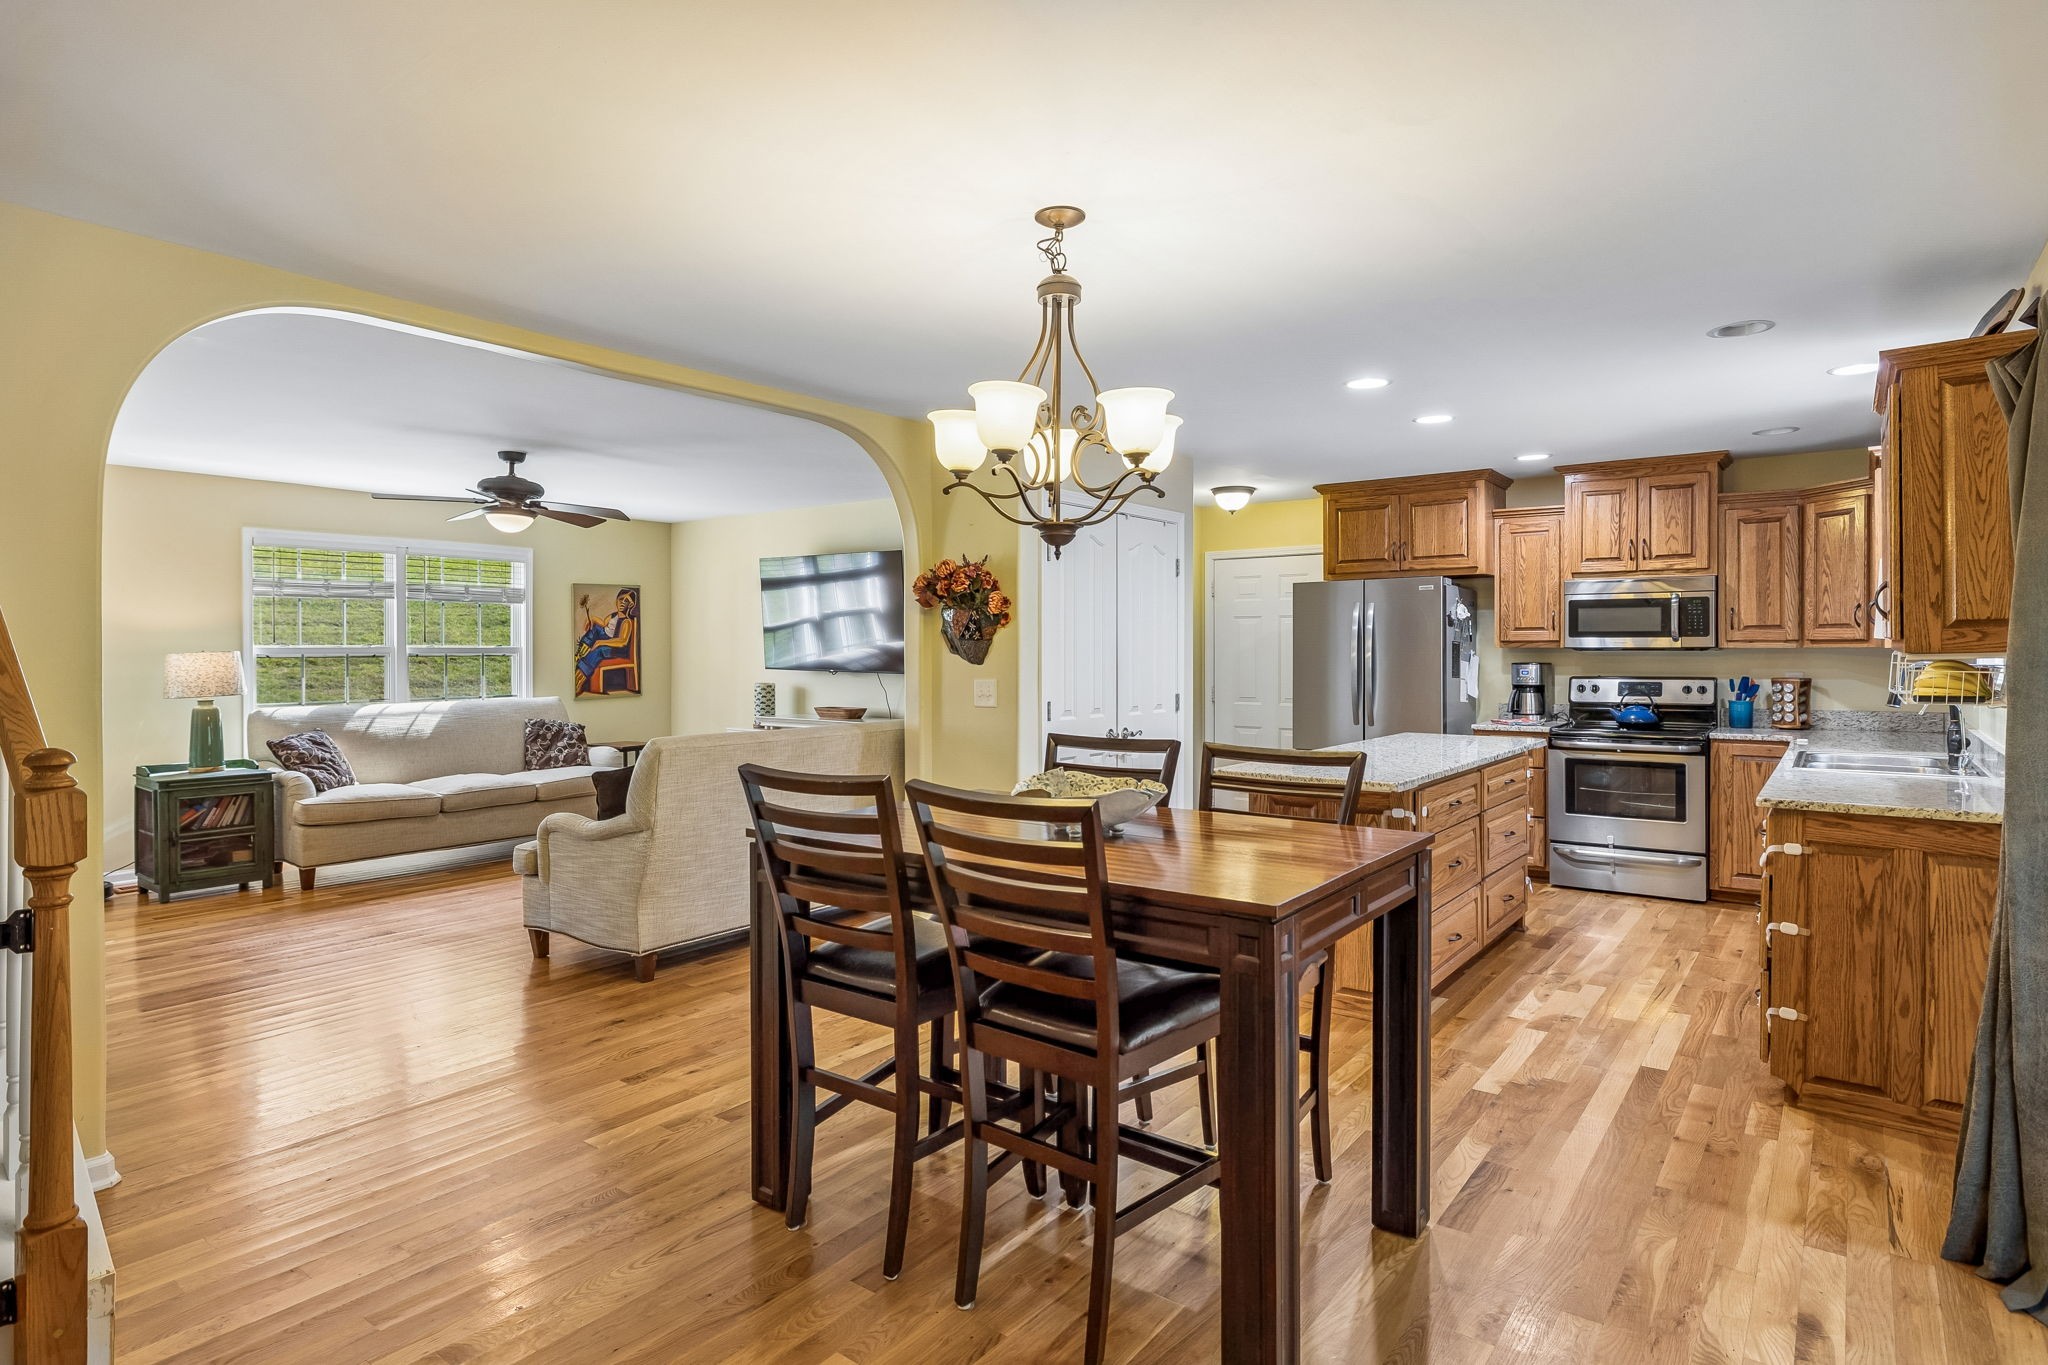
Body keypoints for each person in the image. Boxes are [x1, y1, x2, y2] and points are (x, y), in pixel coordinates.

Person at [575, 587, 638, 695]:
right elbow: (604, 624)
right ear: (616, 600)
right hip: (607, 637)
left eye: (626, 601)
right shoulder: (613, 616)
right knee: (595, 630)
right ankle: (581, 651)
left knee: (599, 650)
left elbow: (622, 641)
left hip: (617, 648)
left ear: (631, 605)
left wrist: (601, 642)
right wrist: (593, 619)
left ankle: (580, 677)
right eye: (621, 599)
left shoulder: (626, 622)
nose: (623, 602)